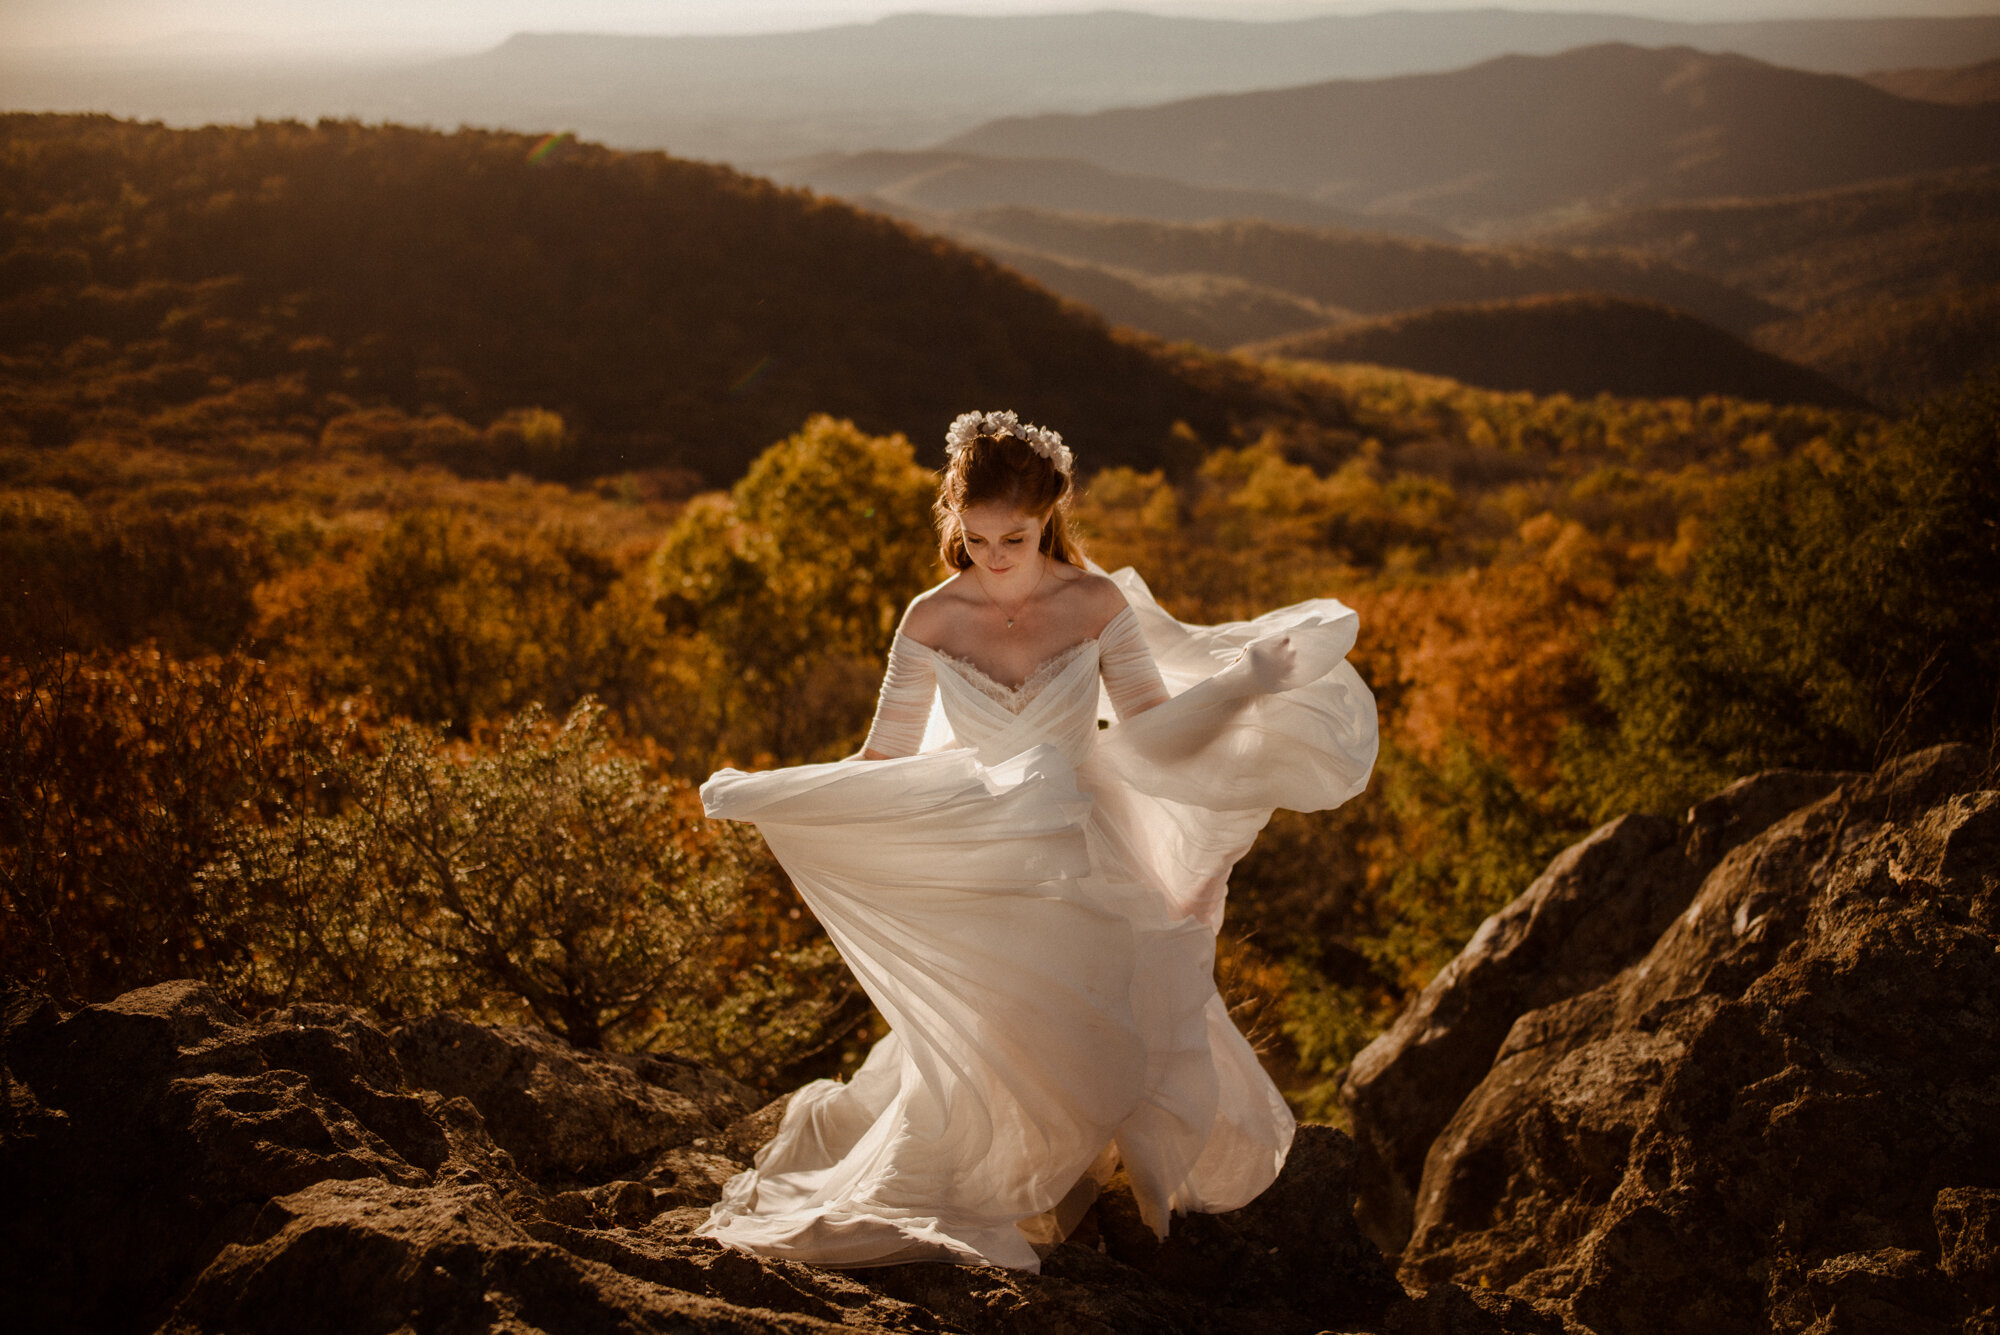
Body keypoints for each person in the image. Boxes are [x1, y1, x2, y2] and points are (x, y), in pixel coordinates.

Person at [694, 410, 1378, 1272]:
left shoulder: (1093, 602)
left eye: (1011, 536)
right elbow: (882, 757)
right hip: (981, 840)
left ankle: (1070, 1182)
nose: (992, 554)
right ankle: (994, 1180)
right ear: (955, 522)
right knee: (1000, 1023)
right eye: (975, 538)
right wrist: (778, 790)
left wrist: (1244, 685)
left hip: (1089, 837)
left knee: (1100, 1008)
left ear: (1048, 515)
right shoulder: (931, 618)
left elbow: (1153, 734)